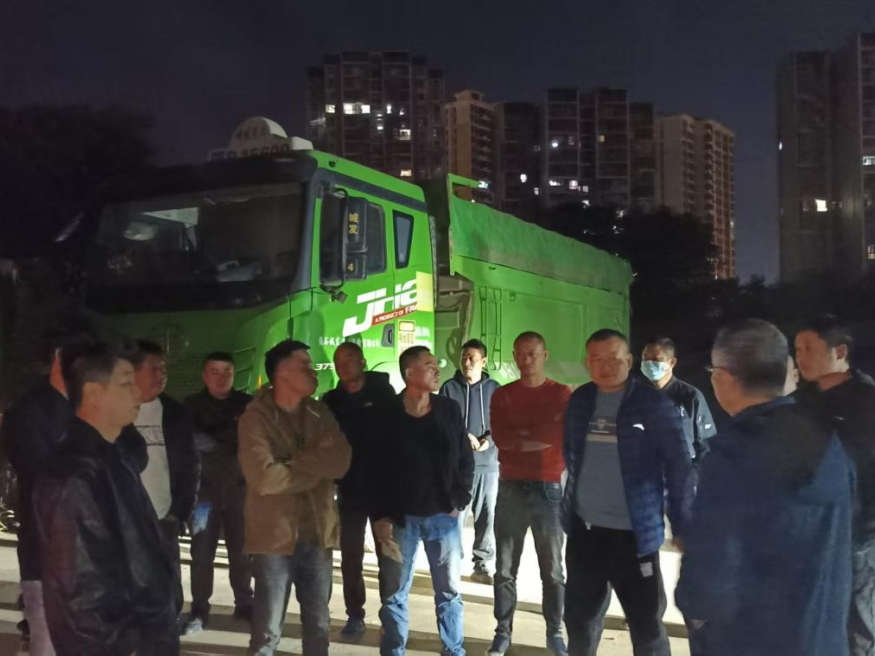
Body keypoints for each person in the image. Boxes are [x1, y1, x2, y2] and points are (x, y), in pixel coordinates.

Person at [677, 319, 854, 656]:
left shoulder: (733, 455)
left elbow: (710, 578)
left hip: (752, 641)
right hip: (823, 640)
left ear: (723, 377)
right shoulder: (829, 440)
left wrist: (698, 616)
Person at [33, 340, 182, 655]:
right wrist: (128, 646)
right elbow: (82, 590)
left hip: (148, 634)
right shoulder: (74, 474)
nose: (137, 392)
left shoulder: (113, 456)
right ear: (94, 393)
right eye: (126, 383)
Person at [563, 329, 692, 656]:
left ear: (630, 360)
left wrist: (682, 524)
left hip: (635, 536)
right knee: (579, 624)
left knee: (647, 629)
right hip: (585, 535)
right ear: (587, 363)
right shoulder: (580, 401)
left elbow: (678, 467)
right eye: (597, 359)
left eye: (613, 358)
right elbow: (571, 456)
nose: (605, 366)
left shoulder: (653, 405)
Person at [238, 339, 351, 656]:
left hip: (317, 535)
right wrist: (315, 468)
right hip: (273, 540)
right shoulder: (255, 418)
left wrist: (292, 461)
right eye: (305, 365)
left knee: (318, 629)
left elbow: (340, 462)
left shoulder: (319, 412)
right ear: (281, 373)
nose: (313, 371)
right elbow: (263, 479)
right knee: (266, 633)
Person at [0, 314, 98, 656]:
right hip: (47, 557)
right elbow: (45, 480)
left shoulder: (87, 406)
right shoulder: (27, 412)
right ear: (59, 357)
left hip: (91, 556)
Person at [371, 345, 474, 656]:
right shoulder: (386, 413)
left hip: (443, 516)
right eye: (429, 365)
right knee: (394, 593)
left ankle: (453, 650)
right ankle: (394, 650)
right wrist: (380, 515)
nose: (437, 369)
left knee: (449, 592)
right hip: (401, 520)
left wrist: (459, 501)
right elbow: (374, 468)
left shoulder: (448, 409)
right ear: (409, 373)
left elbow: (465, 459)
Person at [794, 315, 875, 656]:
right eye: (797, 349)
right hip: (811, 532)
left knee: (858, 622)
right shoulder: (802, 401)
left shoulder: (867, 400)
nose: (800, 356)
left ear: (840, 352)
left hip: (857, 535)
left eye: (809, 348)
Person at [488, 332, 571, 656]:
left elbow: (556, 434)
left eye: (532, 353)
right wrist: (534, 436)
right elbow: (502, 438)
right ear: (514, 355)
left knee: (553, 571)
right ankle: (502, 631)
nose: (526, 359)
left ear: (545, 355)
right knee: (505, 569)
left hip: (548, 489)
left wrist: (523, 436)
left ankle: (555, 633)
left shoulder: (560, 393)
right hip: (510, 487)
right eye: (521, 353)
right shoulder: (503, 395)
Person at [322, 341, 398, 641]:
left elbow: (397, 437)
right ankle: (355, 614)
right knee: (351, 557)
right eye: (339, 361)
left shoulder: (383, 394)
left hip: (383, 489)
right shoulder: (332, 401)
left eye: (351, 359)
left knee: (387, 556)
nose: (345, 365)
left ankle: (390, 615)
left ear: (363, 362)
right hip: (350, 491)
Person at [180, 352, 253, 635]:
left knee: (242, 553)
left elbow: (248, 441)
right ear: (204, 376)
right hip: (204, 495)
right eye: (215, 371)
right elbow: (191, 442)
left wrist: (213, 438)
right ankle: (199, 609)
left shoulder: (247, 405)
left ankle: (244, 604)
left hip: (239, 490)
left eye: (227, 371)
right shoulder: (191, 406)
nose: (221, 377)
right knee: (201, 554)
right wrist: (228, 439)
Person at [120, 340, 199, 577]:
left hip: (164, 519)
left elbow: (190, 467)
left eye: (163, 368)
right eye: (154, 368)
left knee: (166, 586)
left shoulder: (175, 413)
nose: (161, 374)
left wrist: (179, 513)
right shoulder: (115, 410)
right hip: (124, 521)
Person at [439, 338, 501, 585]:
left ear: (483, 361)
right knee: (455, 518)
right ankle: (452, 563)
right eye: (464, 357)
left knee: (486, 518)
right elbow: (443, 422)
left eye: (472, 358)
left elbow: (502, 422)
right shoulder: (449, 388)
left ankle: (482, 565)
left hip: (487, 466)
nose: (467, 362)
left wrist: (489, 441)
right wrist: (463, 436)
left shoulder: (495, 389)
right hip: (457, 468)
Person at [640, 337, 717, 464]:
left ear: (671, 363)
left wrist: (695, 473)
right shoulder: (636, 394)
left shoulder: (690, 396)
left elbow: (705, 443)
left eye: (655, 359)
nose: (649, 363)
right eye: (645, 358)